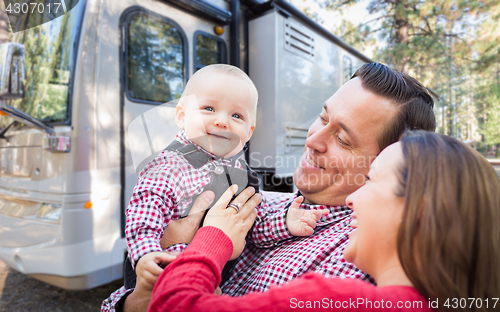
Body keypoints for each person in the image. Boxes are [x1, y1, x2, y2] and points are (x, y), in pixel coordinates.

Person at [105, 63, 437, 311]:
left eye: (343, 139)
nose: (313, 140)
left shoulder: (355, 258)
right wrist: (134, 300)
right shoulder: (271, 203)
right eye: (322, 119)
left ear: (388, 161)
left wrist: (205, 242)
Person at [148, 131, 500, 312]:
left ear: (418, 211)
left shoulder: (341, 300)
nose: (352, 200)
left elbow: (174, 307)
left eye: (372, 180)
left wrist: (212, 238)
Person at [102, 64, 327, 311]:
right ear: (181, 116)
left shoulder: (244, 177)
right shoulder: (169, 164)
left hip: (209, 284)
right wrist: (147, 254)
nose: (222, 121)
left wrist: (284, 223)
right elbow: (144, 214)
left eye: (237, 116)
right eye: (209, 109)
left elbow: (250, 226)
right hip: (161, 270)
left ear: (249, 132)